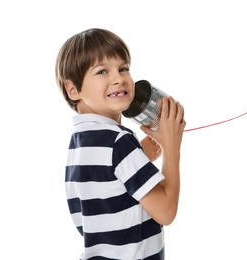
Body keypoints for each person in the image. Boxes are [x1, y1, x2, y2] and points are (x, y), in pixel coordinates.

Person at [55, 28, 186, 260]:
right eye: (102, 71)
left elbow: (108, 185)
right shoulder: (118, 142)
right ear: (73, 89)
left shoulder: (82, 141)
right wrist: (173, 148)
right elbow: (166, 211)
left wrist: (139, 156)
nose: (118, 78)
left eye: (123, 68)